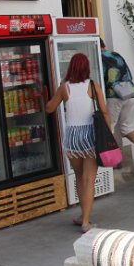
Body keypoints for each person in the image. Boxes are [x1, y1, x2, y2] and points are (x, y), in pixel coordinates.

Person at [46, 53, 109, 233]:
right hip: (89, 134)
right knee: (89, 179)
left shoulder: (64, 88)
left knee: (79, 177)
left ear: (71, 67)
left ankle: (83, 215)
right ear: (86, 67)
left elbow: (49, 108)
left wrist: (61, 84)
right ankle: (86, 222)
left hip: (72, 136)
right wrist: (109, 132)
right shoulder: (93, 85)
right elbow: (104, 111)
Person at [100, 38, 134, 165]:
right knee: (127, 127)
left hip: (114, 94)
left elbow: (100, 78)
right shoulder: (116, 54)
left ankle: (115, 161)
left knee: (109, 128)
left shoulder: (98, 58)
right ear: (104, 44)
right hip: (130, 91)